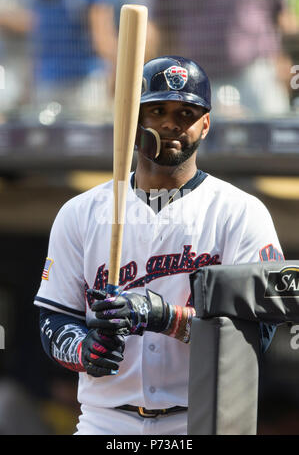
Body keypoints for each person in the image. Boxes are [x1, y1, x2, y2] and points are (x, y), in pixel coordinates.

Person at [34, 56, 284, 435]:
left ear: (206, 124)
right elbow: (54, 318)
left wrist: (167, 318)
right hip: (105, 421)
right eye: (157, 110)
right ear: (135, 121)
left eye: (187, 112)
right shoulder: (81, 212)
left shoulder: (241, 213)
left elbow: (260, 330)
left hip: (202, 420)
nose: (171, 123)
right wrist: (84, 349)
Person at [151, 0, 291, 117]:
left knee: (274, 132)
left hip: (257, 76)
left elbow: (280, 16)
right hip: (196, 81)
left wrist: (283, 62)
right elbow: (163, 25)